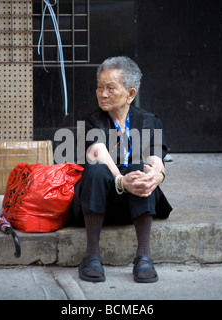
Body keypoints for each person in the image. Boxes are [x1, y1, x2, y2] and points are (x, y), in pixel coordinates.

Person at [70, 56, 172, 283]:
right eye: (99, 87)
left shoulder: (148, 121)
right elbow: (98, 153)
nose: (102, 94)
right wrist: (120, 181)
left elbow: (156, 158)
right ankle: (91, 256)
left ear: (130, 94)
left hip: (135, 203)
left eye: (110, 88)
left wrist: (156, 175)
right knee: (96, 170)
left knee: (141, 167)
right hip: (97, 201)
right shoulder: (91, 122)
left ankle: (144, 256)